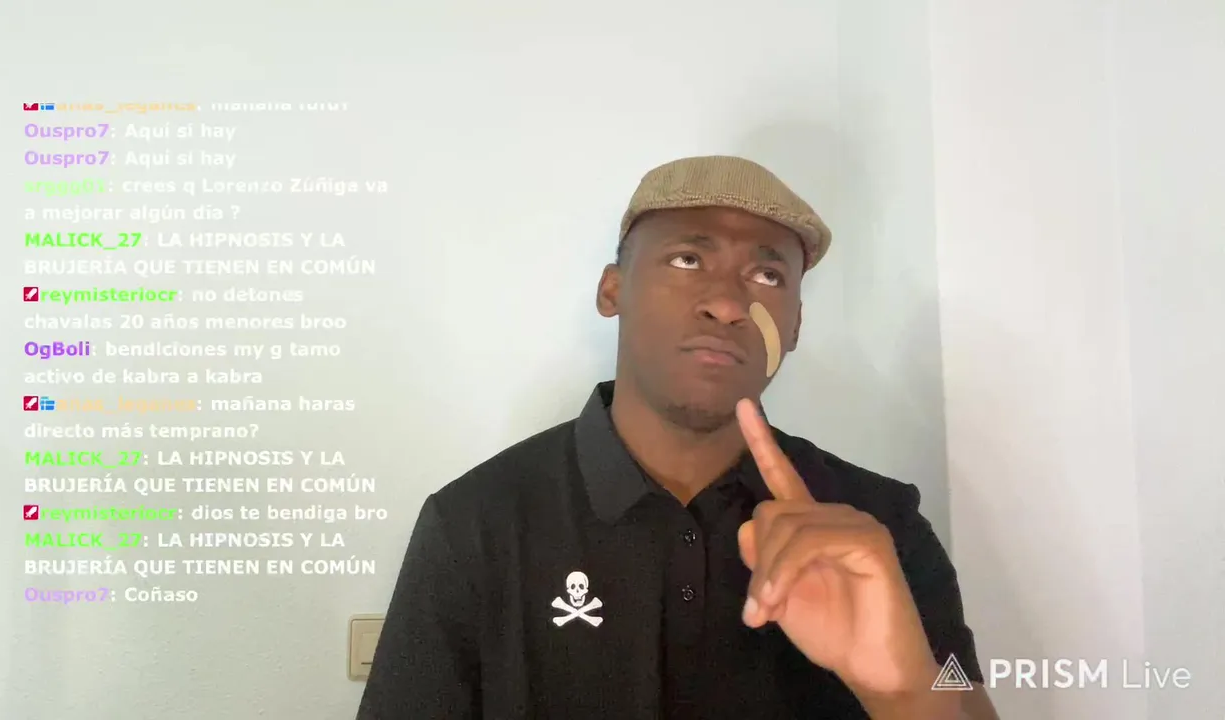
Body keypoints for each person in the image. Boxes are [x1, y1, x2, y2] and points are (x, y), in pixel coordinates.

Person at [357, 155, 1000, 719]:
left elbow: (962, 696)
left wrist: (906, 693)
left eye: (768, 277)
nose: (728, 304)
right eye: (688, 260)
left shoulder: (880, 526)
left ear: (795, 324)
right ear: (613, 290)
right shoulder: (475, 524)